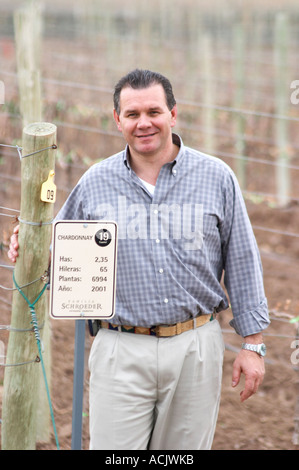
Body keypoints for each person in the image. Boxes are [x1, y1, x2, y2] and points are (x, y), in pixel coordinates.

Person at [8, 69, 269, 450]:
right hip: (120, 347)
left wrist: (253, 344)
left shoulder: (217, 177)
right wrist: (29, 243)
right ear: (117, 120)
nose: (143, 123)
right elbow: (57, 247)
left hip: (195, 346)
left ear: (173, 114)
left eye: (154, 111)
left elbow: (243, 259)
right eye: (132, 114)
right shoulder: (95, 181)